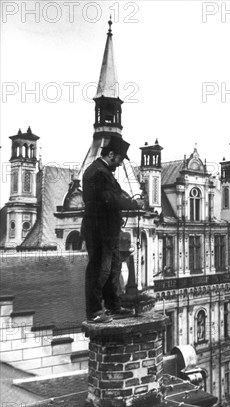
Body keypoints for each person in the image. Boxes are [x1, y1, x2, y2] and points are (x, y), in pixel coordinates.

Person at [82, 136, 140, 323]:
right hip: (99, 229)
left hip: (108, 230)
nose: (121, 162)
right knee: (99, 269)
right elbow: (110, 199)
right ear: (111, 154)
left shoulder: (103, 171)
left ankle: (113, 306)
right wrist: (133, 203)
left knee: (113, 268)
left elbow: (115, 194)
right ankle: (94, 311)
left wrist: (127, 199)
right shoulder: (98, 172)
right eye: (120, 158)